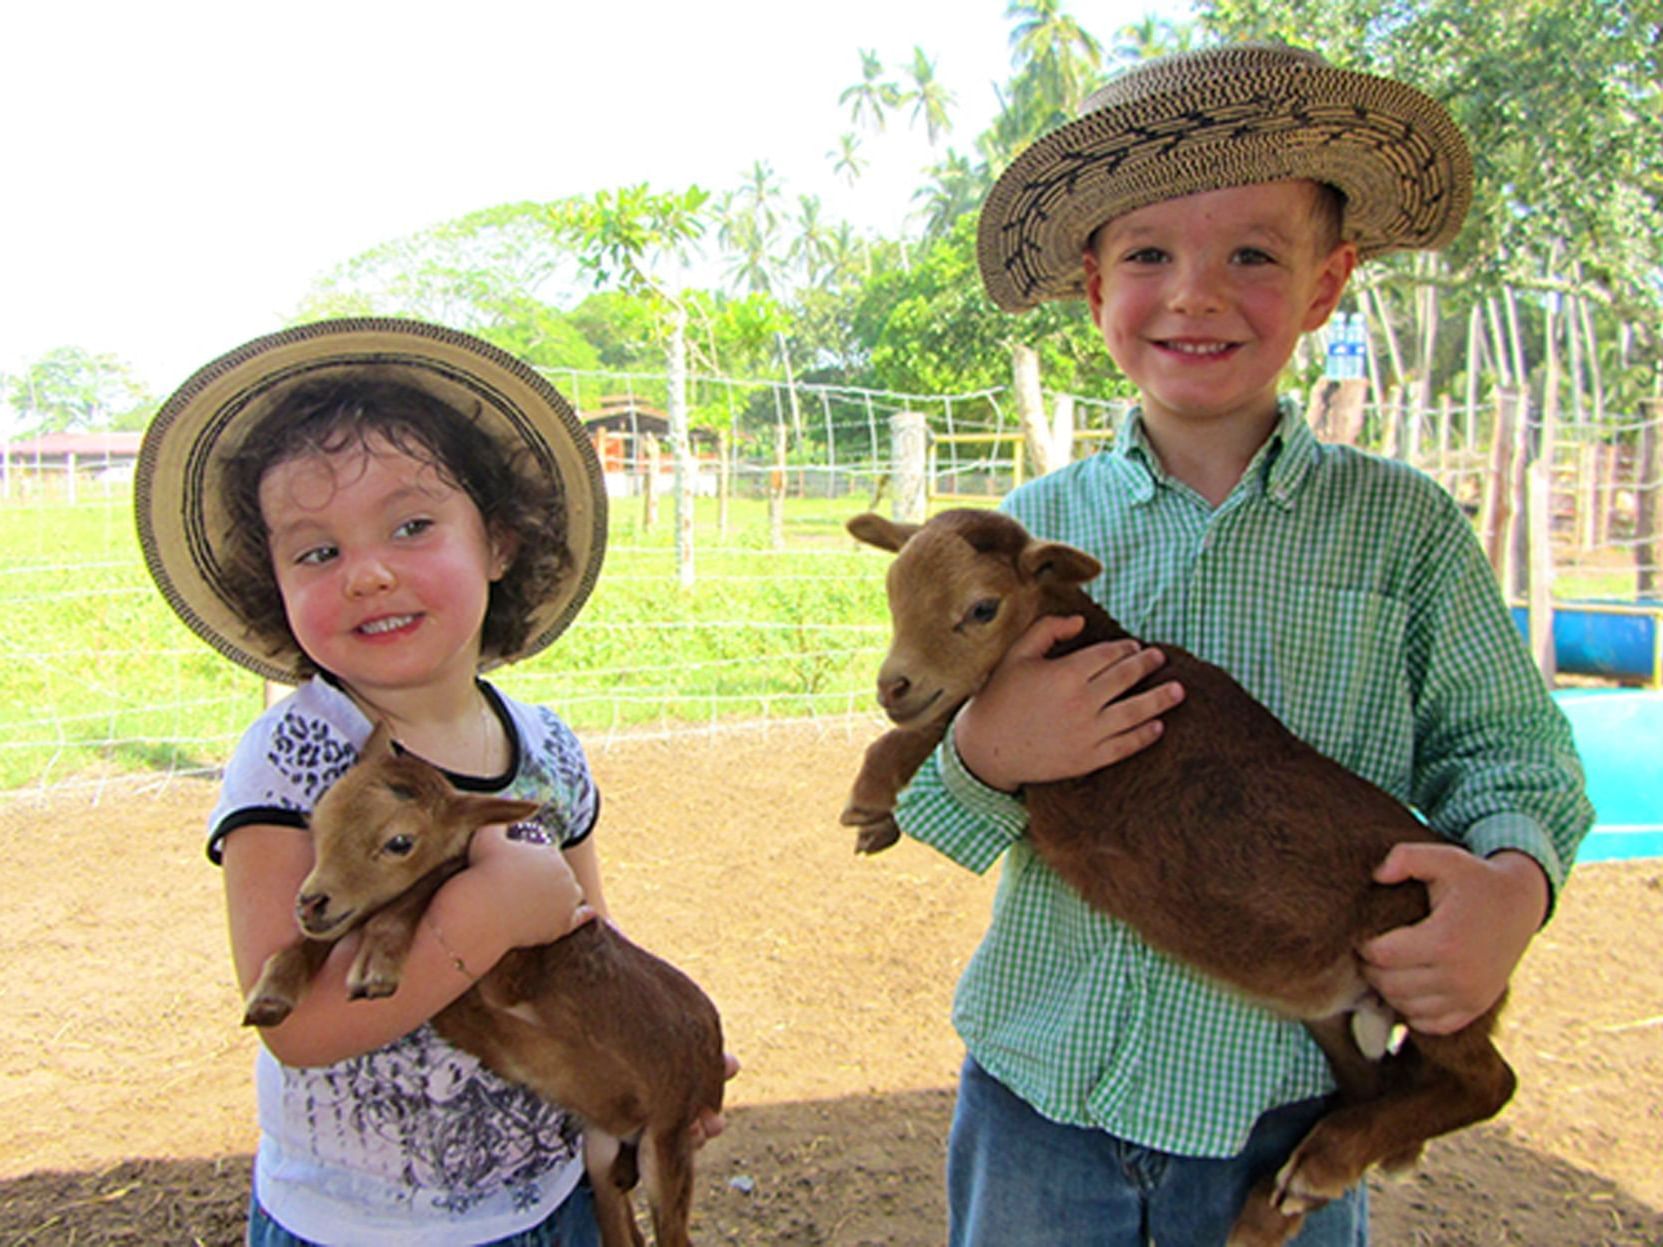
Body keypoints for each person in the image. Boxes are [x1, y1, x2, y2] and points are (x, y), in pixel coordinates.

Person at [896, 43, 1594, 1246]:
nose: (1195, 294)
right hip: (1042, 1093)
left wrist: (1508, 893)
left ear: (1326, 287)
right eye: (1149, 253)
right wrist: (991, 754)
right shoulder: (1029, 538)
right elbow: (933, 803)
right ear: (1091, 279)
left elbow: (1512, 755)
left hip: (1283, 1099)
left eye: (1252, 257)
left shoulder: (1402, 528)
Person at [136, 319, 723, 1246]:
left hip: (550, 1204)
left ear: (497, 543)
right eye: (316, 551)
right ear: (275, 581)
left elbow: (583, 943)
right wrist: (483, 914)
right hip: (356, 1229)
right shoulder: (291, 758)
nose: (367, 572)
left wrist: (644, 1074)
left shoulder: (549, 750)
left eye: (412, 526)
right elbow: (293, 1025)